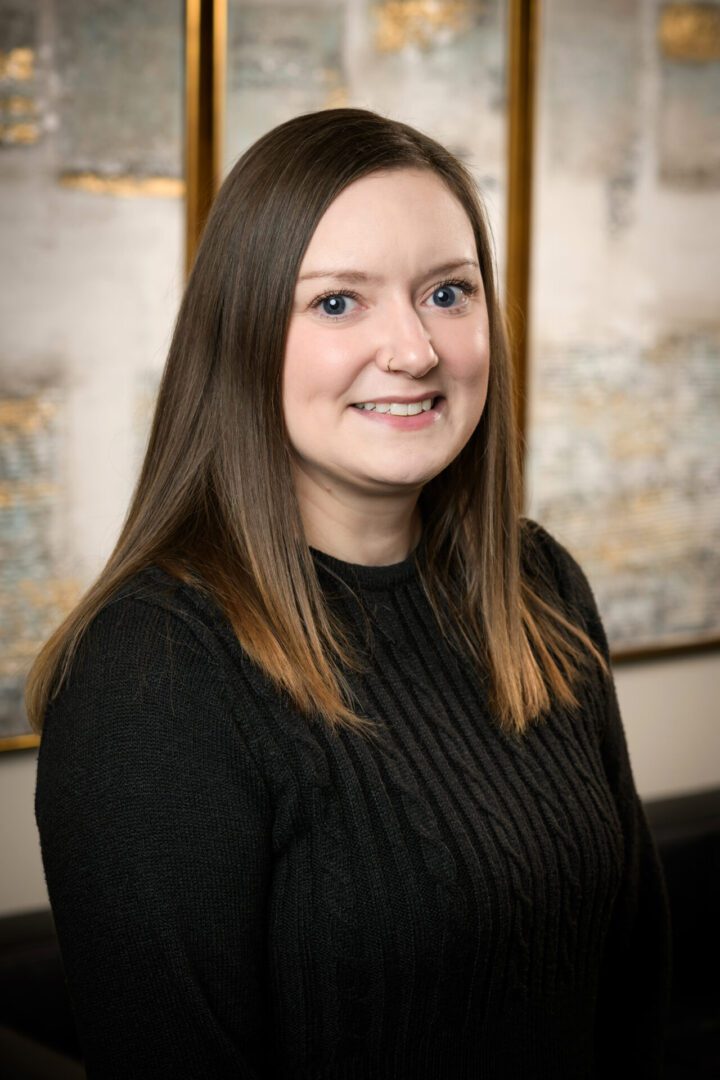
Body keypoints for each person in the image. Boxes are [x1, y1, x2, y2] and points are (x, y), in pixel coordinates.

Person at [28, 108, 671, 1079]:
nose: (415, 349)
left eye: (447, 293)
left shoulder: (537, 586)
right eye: (338, 303)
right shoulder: (151, 676)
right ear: (241, 336)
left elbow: (633, 1000)